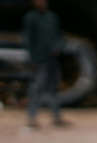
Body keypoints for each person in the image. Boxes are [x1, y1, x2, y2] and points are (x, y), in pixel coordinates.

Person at [22, 0, 66, 128]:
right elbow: (28, 40)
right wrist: (32, 59)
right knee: (37, 87)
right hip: (39, 59)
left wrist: (59, 47)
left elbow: (59, 35)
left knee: (53, 87)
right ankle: (32, 117)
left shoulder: (52, 17)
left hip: (53, 58)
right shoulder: (30, 18)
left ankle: (57, 116)